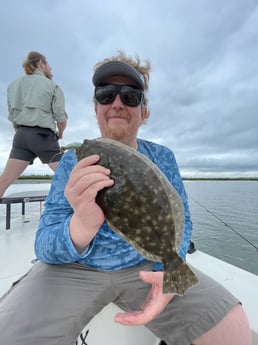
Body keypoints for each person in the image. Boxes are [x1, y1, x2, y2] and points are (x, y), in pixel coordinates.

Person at [0, 52, 251, 345]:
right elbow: (44, 244)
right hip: (74, 269)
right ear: (96, 108)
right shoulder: (71, 163)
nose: (117, 103)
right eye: (106, 95)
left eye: (131, 96)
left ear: (144, 112)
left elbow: (181, 218)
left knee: (232, 328)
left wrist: (171, 269)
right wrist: (81, 225)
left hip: (146, 266)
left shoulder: (162, 157)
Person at [0, 51, 68, 198]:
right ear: (41, 63)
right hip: (42, 136)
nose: (51, 70)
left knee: (4, 180)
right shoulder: (52, 86)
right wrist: (60, 134)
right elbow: (61, 119)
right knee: (72, 176)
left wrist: (22, 133)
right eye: (49, 66)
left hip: (21, 137)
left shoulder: (13, 86)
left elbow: (12, 116)